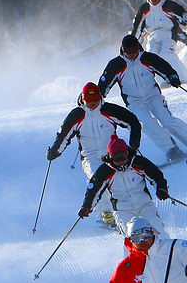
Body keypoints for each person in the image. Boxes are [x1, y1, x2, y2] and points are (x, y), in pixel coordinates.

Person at [99, 35, 187, 165]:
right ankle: (172, 150)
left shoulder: (147, 58)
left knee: (167, 120)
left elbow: (164, 67)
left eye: (134, 50)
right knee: (146, 122)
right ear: (122, 50)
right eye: (128, 51)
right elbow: (103, 84)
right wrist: (97, 96)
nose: (131, 54)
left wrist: (172, 77)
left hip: (153, 96)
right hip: (134, 101)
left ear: (138, 47)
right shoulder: (116, 65)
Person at [48, 82, 142, 228]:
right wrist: (55, 151)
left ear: (100, 97)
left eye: (95, 100)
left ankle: (127, 209)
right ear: (83, 99)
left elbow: (133, 122)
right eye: (89, 100)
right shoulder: (77, 115)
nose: (92, 103)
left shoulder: (109, 110)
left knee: (117, 180)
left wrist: (133, 144)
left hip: (111, 154)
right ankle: (105, 212)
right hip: (89, 155)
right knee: (97, 178)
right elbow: (63, 135)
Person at [79, 134, 168, 236]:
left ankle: (166, 250)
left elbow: (157, 176)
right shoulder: (105, 171)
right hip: (123, 210)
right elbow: (93, 191)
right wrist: (86, 206)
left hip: (145, 205)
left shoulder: (138, 163)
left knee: (157, 232)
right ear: (110, 157)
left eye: (123, 157)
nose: (121, 162)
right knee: (133, 236)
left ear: (127, 153)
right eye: (116, 158)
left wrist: (162, 189)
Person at [130, 0, 187, 83]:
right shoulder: (144, 9)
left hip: (168, 35)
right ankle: (159, 82)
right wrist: (131, 41)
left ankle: (185, 78)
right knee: (151, 56)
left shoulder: (168, 6)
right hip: (152, 36)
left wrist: (185, 17)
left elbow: (182, 15)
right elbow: (137, 27)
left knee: (166, 54)